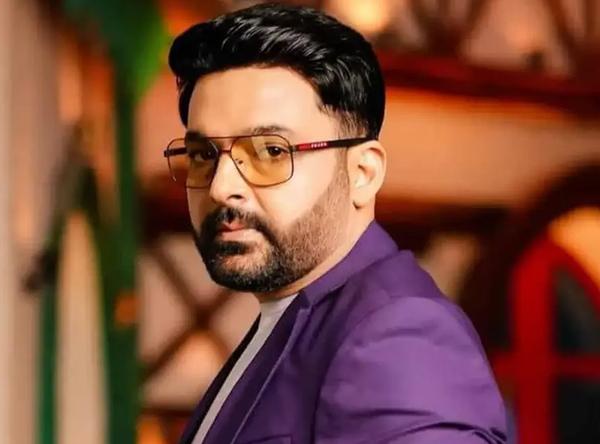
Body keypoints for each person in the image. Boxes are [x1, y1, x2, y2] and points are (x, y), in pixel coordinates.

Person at [162, 3, 508, 443]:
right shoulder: (291, 317)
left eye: (271, 151)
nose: (220, 186)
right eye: (202, 155)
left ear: (363, 173)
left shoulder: (399, 335)